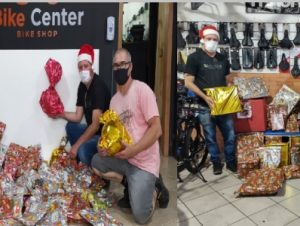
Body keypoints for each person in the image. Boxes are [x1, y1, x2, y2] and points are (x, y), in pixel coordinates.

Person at [91, 48, 169, 225]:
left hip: (143, 162)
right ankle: (127, 181)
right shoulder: (114, 101)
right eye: (116, 65)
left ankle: (156, 186)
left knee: (141, 216)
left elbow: (157, 130)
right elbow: (113, 133)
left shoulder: (143, 90)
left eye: (123, 64)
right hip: (124, 159)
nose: (119, 68)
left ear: (130, 66)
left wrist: (133, 149)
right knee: (96, 161)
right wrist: (104, 147)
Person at [184, 25, 237, 175]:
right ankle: (216, 163)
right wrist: (205, 97)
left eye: (215, 39)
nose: (212, 42)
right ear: (203, 40)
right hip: (204, 105)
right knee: (210, 137)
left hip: (223, 104)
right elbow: (188, 82)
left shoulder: (223, 59)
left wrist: (232, 91)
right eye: (209, 39)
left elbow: (228, 80)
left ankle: (231, 161)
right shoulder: (194, 58)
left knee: (230, 135)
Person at [54, 44, 110, 167]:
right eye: (80, 67)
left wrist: (76, 145)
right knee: (71, 127)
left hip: (102, 136)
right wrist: (59, 113)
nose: (83, 69)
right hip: (91, 131)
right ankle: (80, 160)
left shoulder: (98, 86)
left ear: (92, 66)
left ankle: (93, 167)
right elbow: (78, 116)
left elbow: (95, 126)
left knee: (83, 150)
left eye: (86, 66)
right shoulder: (82, 86)